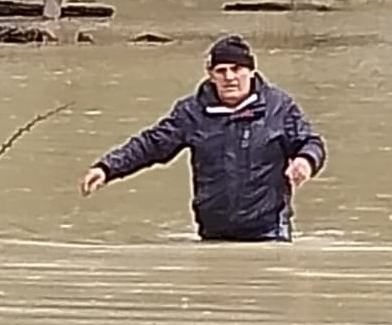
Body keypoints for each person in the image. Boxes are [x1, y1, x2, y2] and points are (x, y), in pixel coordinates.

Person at [79, 34, 327, 242]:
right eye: (221, 71)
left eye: (236, 69)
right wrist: (107, 167)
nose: (229, 77)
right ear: (211, 74)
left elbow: (311, 142)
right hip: (213, 232)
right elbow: (152, 144)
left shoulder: (278, 107)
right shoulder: (192, 112)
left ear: (251, 71)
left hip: (269, 231)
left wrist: (305, 160)